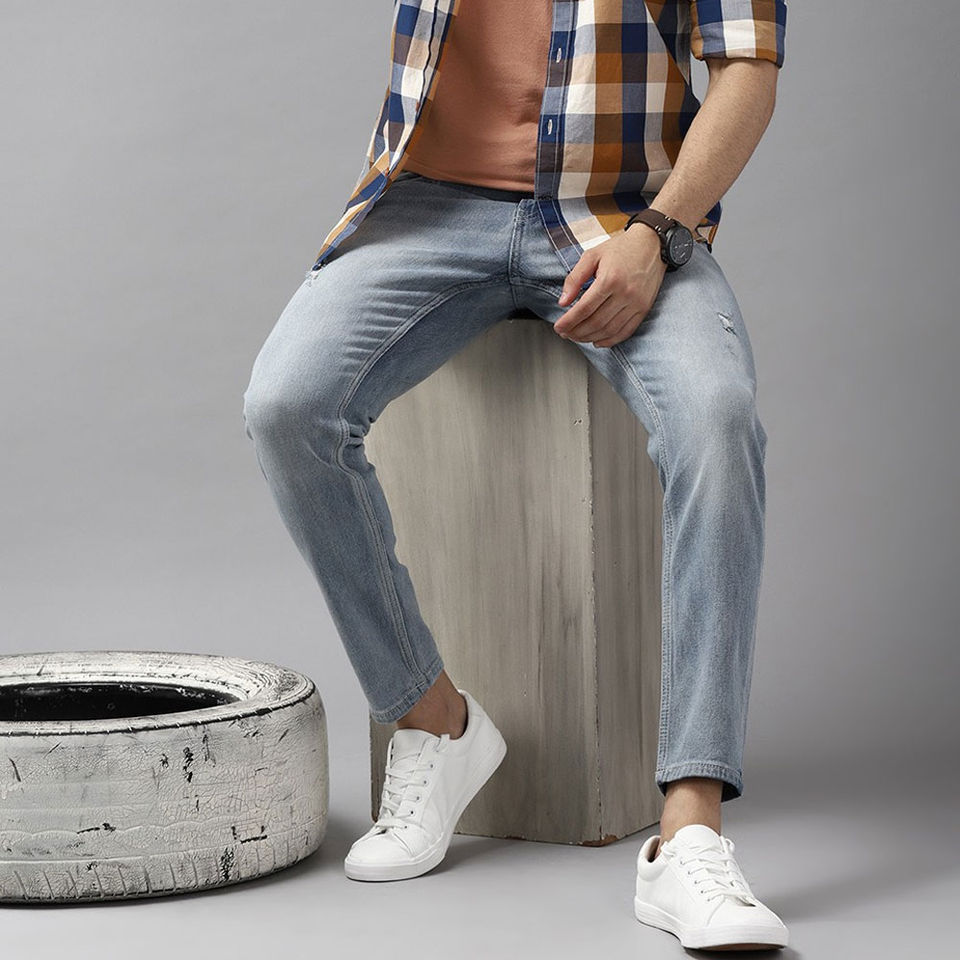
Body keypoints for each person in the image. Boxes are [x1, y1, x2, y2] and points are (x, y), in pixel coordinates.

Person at [242, 0, 789, 950]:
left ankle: (689, 832)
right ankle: (435, 720)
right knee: (288, 407)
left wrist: (660, 233)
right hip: (428, 208)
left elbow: (747, 65)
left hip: (622, 213)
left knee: (717, 421)